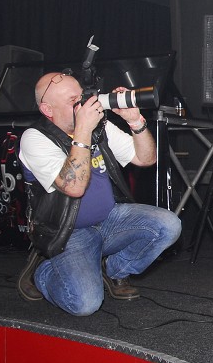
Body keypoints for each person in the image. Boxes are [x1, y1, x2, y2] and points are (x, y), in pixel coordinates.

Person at [17, 71, 182, 316]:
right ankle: (43, 271)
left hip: (109, 220)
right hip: (68, 232)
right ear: (47, 109)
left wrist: (135, 122)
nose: (82, 104)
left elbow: (146, 159)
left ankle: (114, 270)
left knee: (168, 225)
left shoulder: (100, 128)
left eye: (81, 96)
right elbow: (74, 187)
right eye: (72, 101)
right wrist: (83, 130)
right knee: (85, 304)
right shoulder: (35, 138)